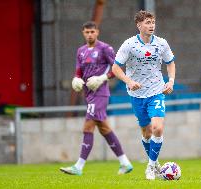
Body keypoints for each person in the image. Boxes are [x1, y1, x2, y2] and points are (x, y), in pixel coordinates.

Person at [60, 21, 133, 176]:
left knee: (87, 127)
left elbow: (116, 69)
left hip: (100, 93)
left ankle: (78, 167)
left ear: (97, 32)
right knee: (104, 128)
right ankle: (125, 163)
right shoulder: (80, 51)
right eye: (87, 32)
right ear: (83, 33)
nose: (90, 34)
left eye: (92, 32)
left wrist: (101, 78)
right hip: (88, 94)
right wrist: (76, 79)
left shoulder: (105, 48)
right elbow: (78, 71)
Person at [112, 10, 176, 180]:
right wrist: (129, 81)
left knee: (158, 128)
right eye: (147, 23)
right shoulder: (129, 44)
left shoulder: (162, 43)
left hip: (156, 91)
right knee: (147, 133)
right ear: (139, 25)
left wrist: (170, 81)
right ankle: (154, 163)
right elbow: (115, 68)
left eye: (153, 22)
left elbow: (170, 63)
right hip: (137, 95)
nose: (151, 26)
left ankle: (150, 166)